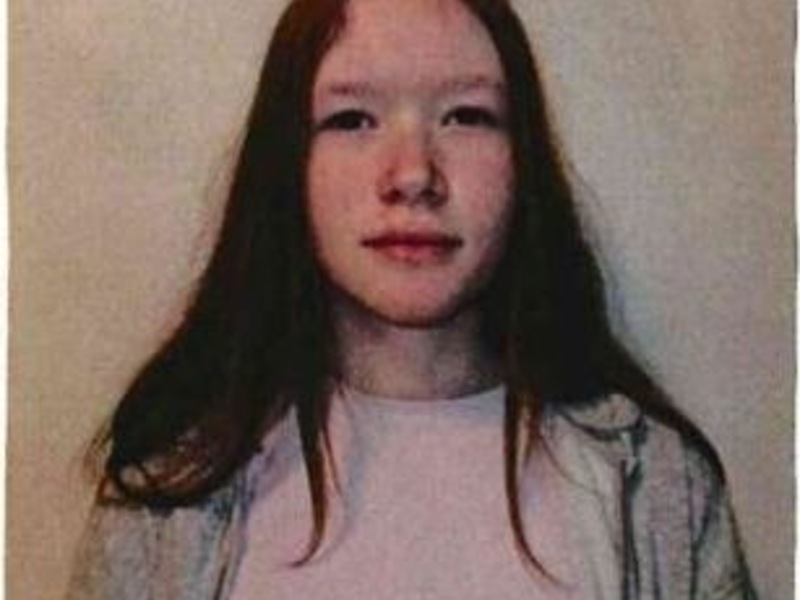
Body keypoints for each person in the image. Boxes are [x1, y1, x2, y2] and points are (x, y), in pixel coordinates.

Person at [66, 0, 757, 598]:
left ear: (523, 158)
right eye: (352, 119)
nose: (413, 175)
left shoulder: (659, 483)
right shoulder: (170, 497)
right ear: (289, 162)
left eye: (465, 115)